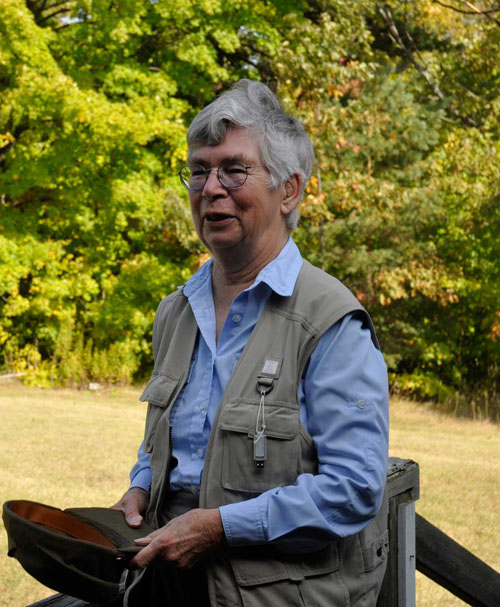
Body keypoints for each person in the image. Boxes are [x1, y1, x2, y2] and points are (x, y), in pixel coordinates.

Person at [112, 79, 389, 607]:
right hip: (163, 586)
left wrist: (217, 528)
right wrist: (142, 486)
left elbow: (353, 491)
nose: (210, 187)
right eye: (198, 169)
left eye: (234, 170)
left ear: (290, 190)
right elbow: (165, 444)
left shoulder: (329, 321)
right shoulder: (176, 312)